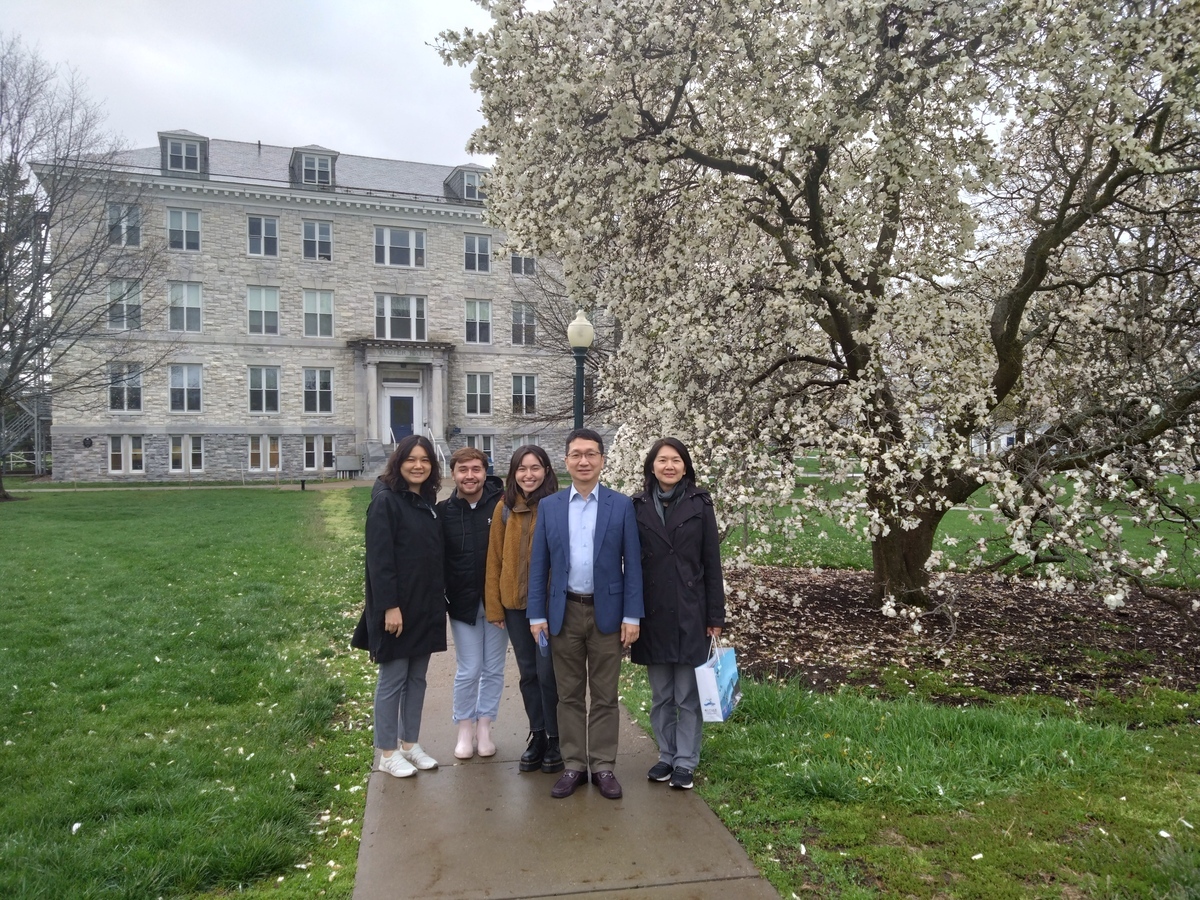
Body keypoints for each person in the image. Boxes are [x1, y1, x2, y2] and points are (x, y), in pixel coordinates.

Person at [527, 428, 643, 800]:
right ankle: (574, 764)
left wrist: (632, 616)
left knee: (606, 695)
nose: (584, 461)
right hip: (564, 612)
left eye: (591, 454)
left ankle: (603, 765)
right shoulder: (550, 507)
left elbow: (634, 566)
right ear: (566, 461)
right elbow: (539, 565)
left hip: (607, 613)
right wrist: (535, 614)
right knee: (569, 695)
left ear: (602, 460)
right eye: (576, 454)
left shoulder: (621, 505)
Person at [631, 438, 725, 790]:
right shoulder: (637, 505)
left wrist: (715, 616)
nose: (668, 466)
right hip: (652, 613)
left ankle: (685, 760)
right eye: (661, 460)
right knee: (661, 696)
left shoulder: (700, 504)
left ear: (685, 466)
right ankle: (665, 756)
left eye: (675, 460)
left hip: (690, 611)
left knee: (687, 695)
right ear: (651, 466)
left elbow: (711, 563)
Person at [353, 434, 445, 778]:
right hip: (396, 609)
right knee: (393, 678)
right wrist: (389, 607)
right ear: (399, 462)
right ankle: (388, 751)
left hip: (425, 605)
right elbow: (380, 561)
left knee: (417, 678)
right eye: (411, 460)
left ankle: (410, 743)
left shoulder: (426, 500)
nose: (418, 466)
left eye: (425, 460)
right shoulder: (385, 502)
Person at [484, 445, 564, 774]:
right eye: (521, 468)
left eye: (535, 467)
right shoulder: (505, 508)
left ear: (546, 470)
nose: (528, 474)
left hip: (548, 607)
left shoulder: (558, 506)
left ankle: (557, 737)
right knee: (529, 674)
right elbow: (494, 559)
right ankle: (538, 734)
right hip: (515, 606)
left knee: (549, 674)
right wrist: (495, 607)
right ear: (513, 473)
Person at [439, 447, 507, 760]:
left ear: (485, 472)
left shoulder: (503, 505)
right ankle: (464, 726)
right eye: (463, 470)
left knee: (493, 668)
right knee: (469, 669)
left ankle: (485, 726)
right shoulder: (443, 512)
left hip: (497, 603)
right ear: (453, 474)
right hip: (462, 603)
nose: (470, 476)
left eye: (476, 469)